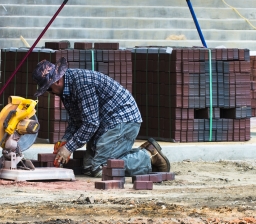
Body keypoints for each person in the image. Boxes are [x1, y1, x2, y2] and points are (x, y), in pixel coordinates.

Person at [33, 58, 170, 177]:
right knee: (88, 168)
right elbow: (76, 121)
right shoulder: (65, 91)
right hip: (105, 124)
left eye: (48, 89)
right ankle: (144, 151)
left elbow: (91, 123)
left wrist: (69, 148)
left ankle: (148, 156)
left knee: (101, 168)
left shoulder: (82, 83)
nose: (50, 93)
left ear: (56, 81)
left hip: (123, 120)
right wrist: (65, 140)